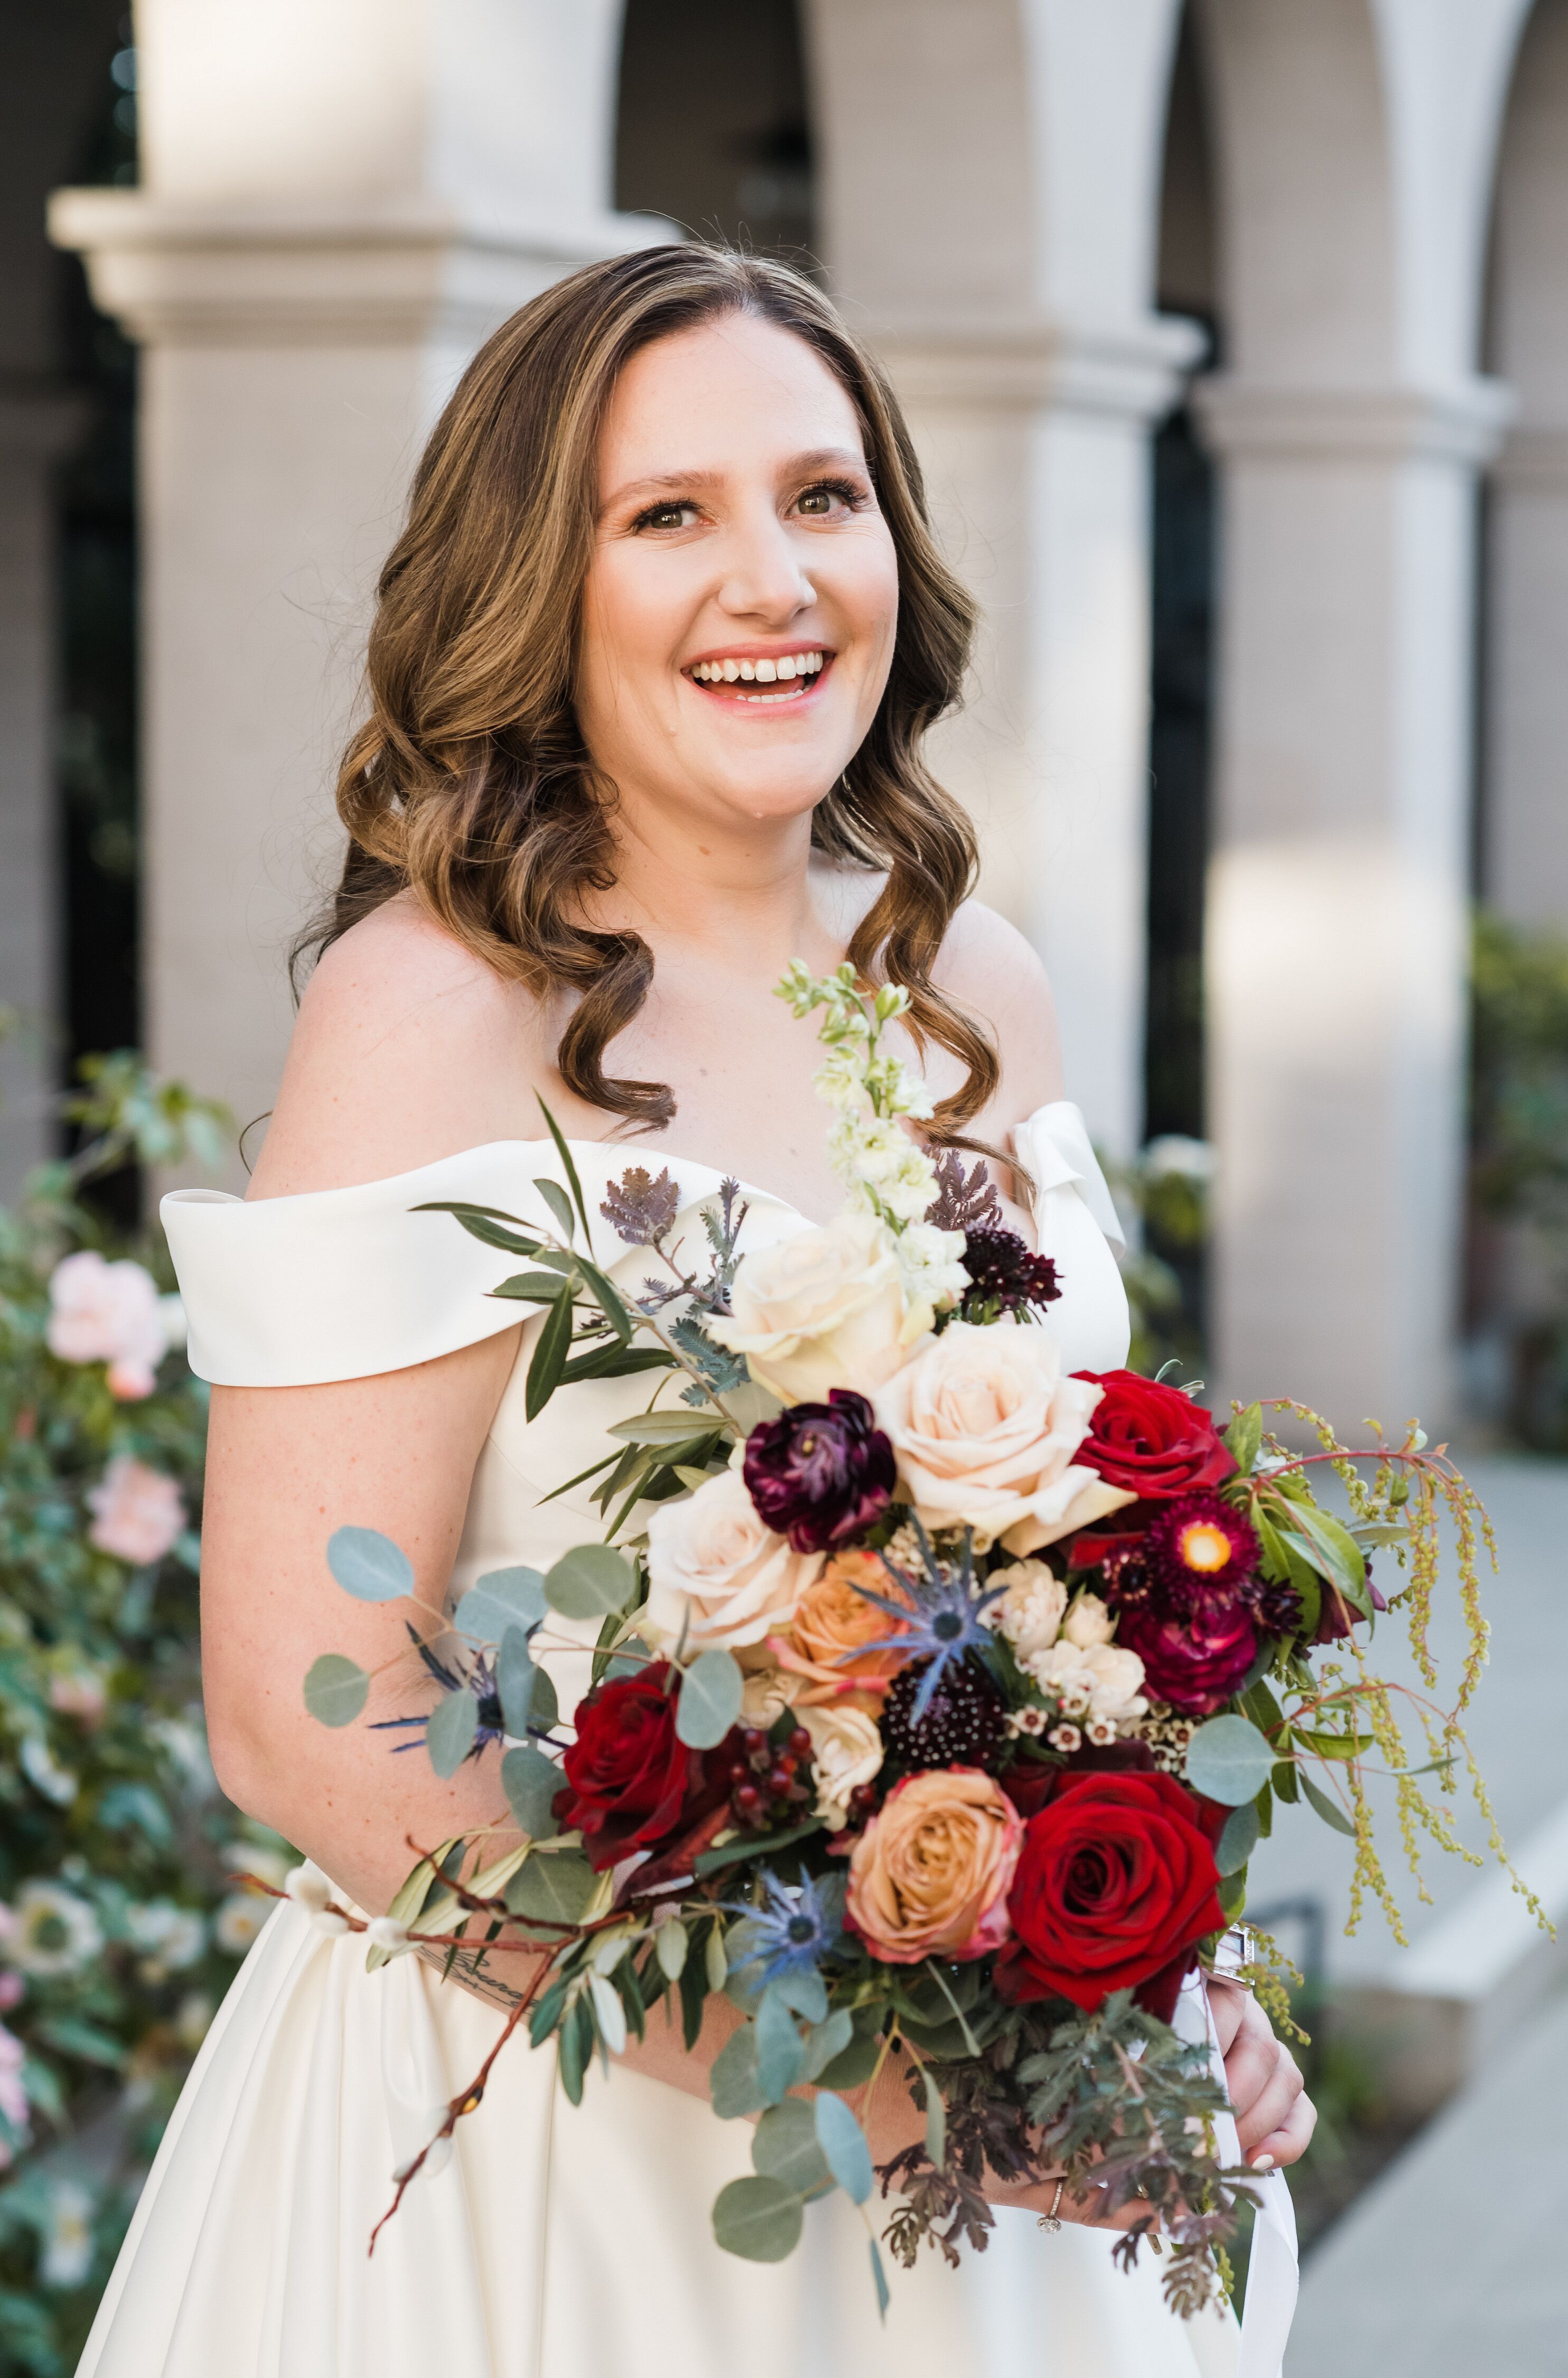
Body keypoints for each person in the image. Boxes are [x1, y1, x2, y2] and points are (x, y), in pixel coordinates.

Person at [78, 247, 1312, 2378]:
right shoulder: (436, 1014)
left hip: (1007, 2175)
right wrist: (837, 2071)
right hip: (557, 2175)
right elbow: (310, 1713)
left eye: (823, 500)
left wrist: (1163, 1968)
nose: (775, 579)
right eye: (668, 517)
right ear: (534, 587)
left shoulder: (972, 983)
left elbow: (1066, 1605)